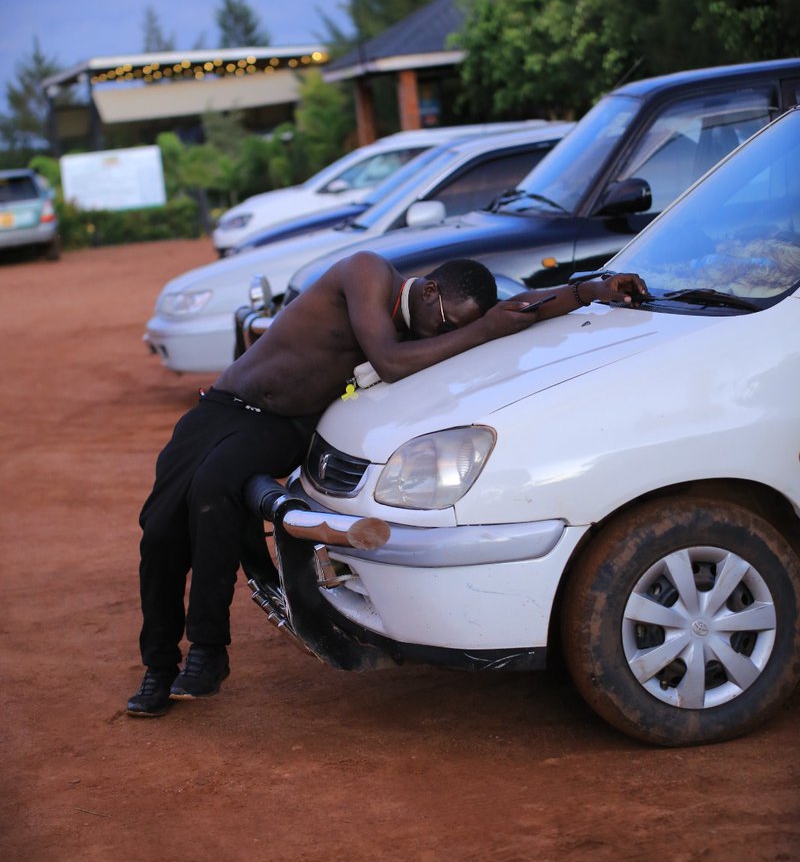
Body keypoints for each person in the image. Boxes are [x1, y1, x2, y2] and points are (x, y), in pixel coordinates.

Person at [128, 250, 647, 717]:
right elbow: (390, 362)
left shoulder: (424, 323)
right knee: (160, 530)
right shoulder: (366, 273)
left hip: (279, 425)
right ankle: (157, 667)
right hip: (223, 407)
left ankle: (206, 652)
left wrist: (590, 291)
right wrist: (482, 330)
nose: (437, 337)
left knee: (212, 497)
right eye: (443, 322)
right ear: (428, 292)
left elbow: (524, 306)